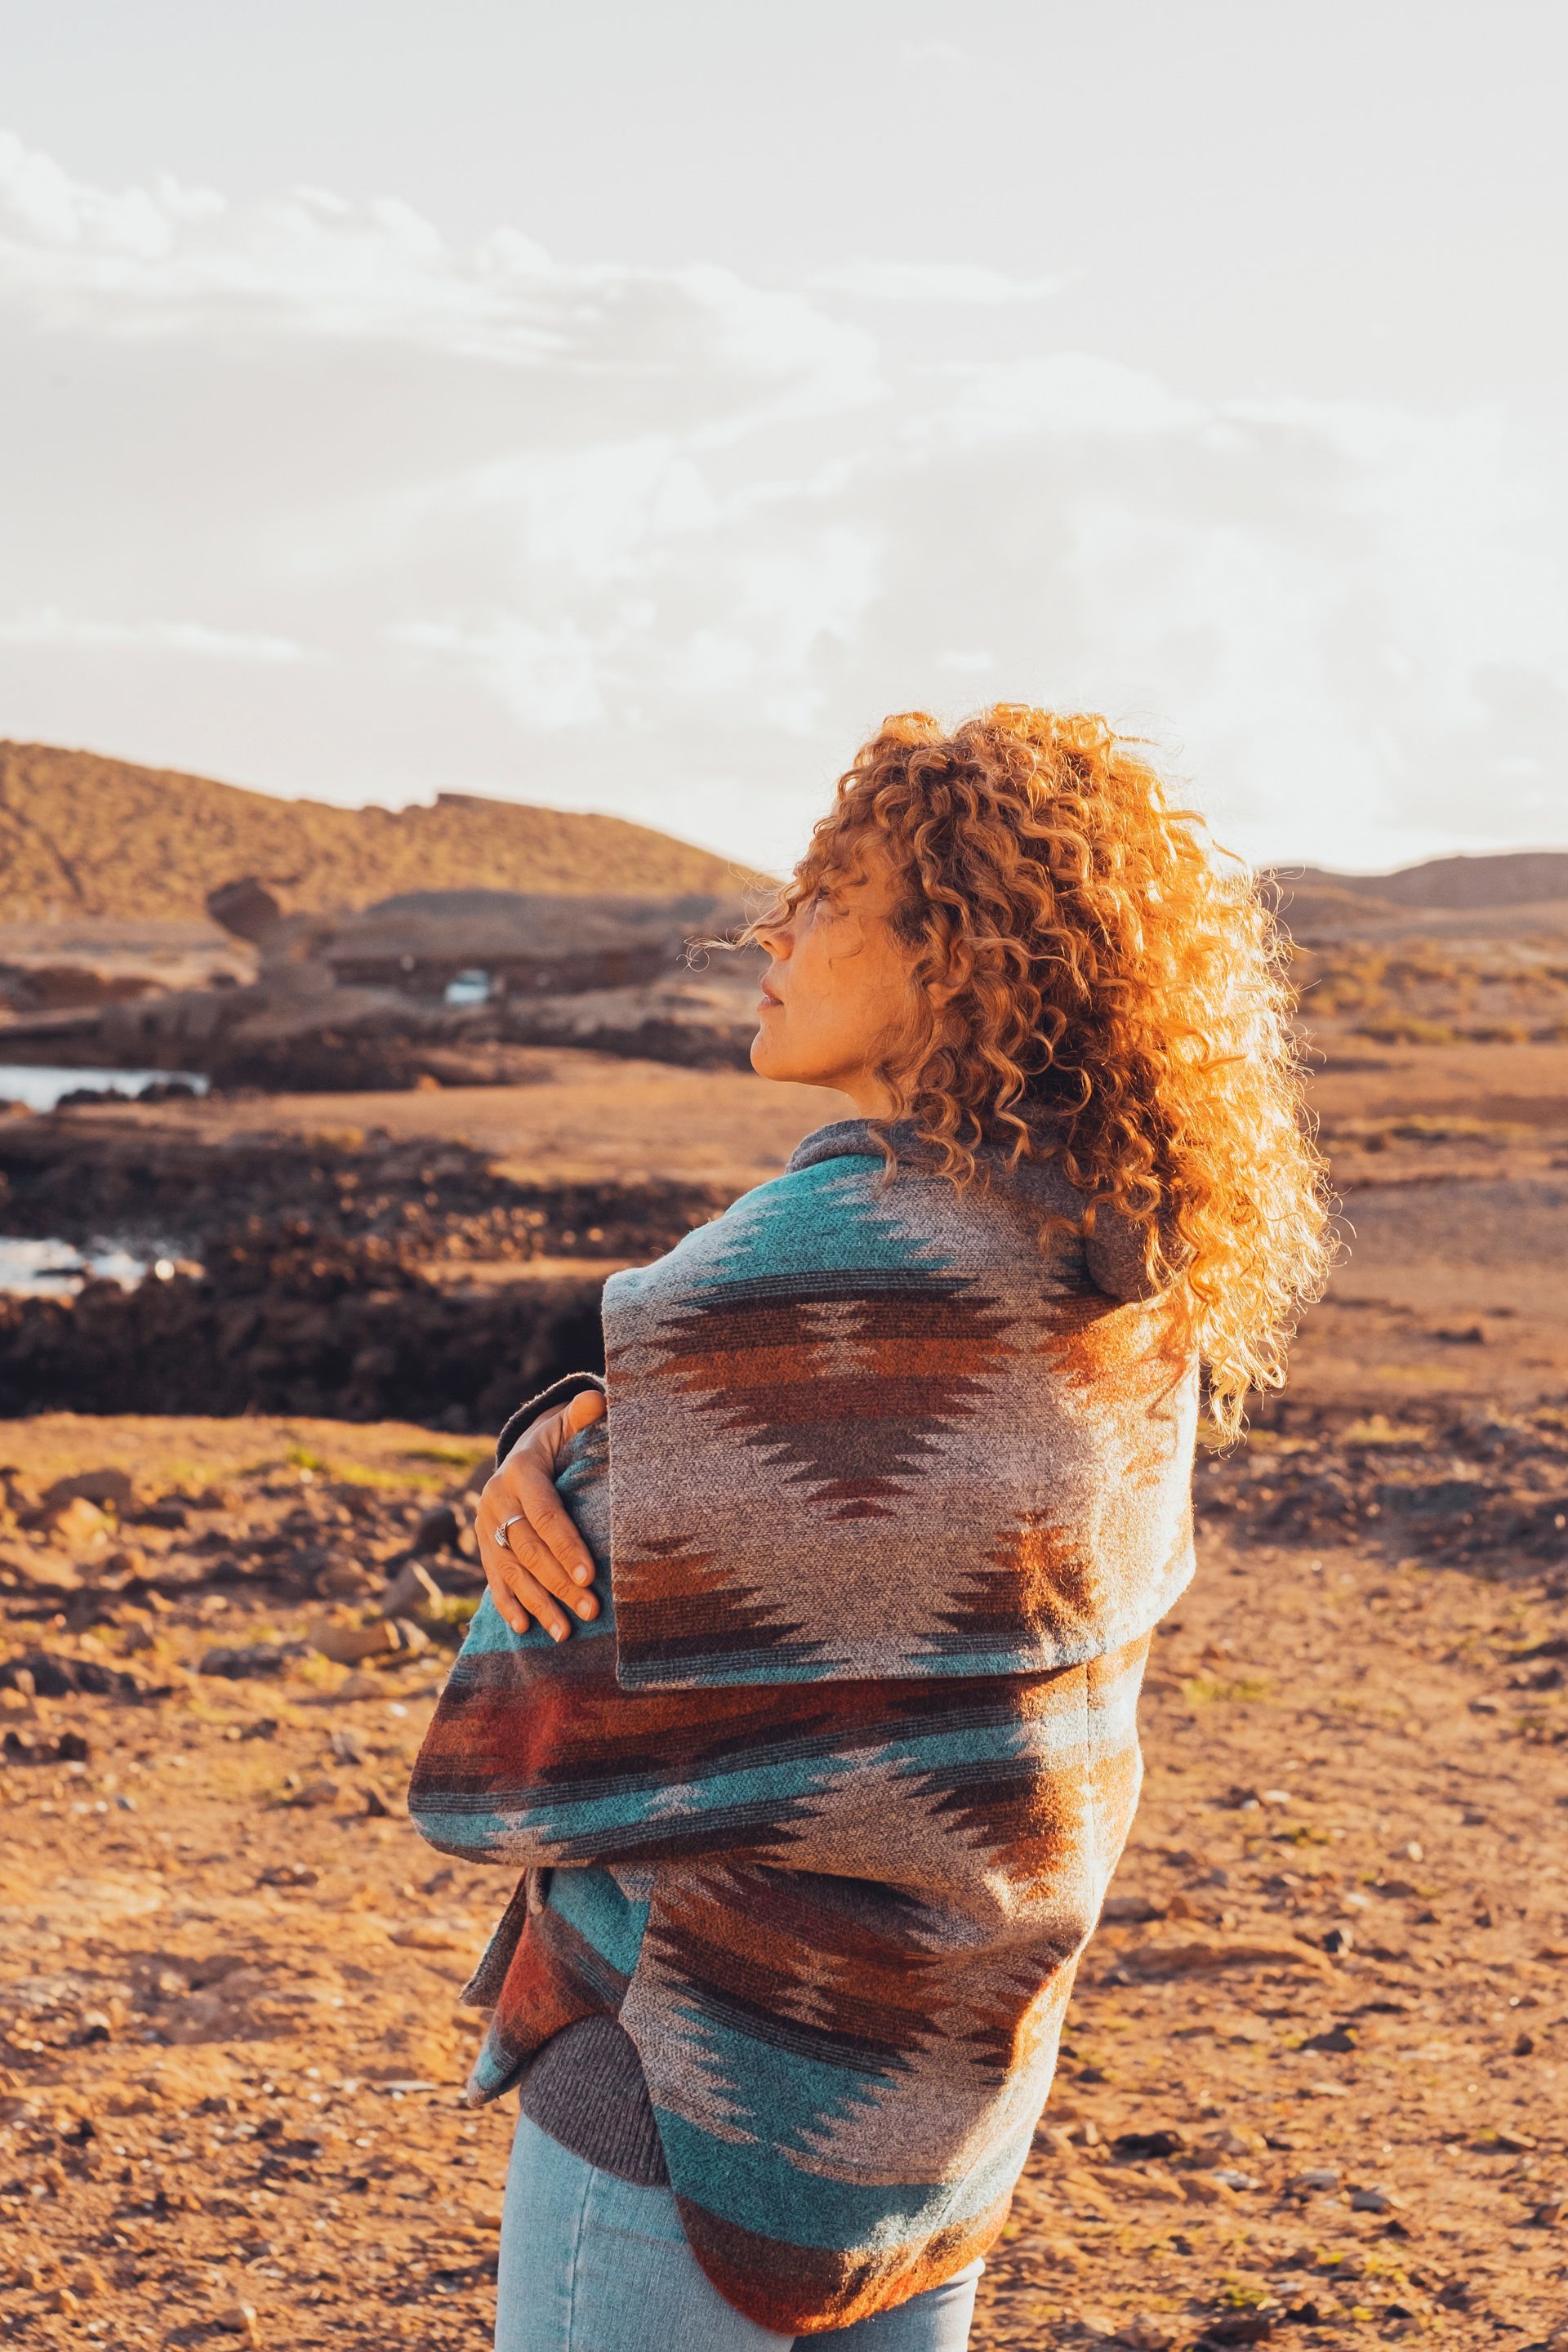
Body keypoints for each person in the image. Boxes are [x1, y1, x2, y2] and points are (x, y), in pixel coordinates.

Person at [409, 706, 1330, 2351]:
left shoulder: (798, 1267)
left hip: (686, 2101)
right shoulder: (1131, 1285)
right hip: (944, 2104)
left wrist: (548, 1492)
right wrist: (585, 1432)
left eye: (828, 899)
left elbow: (525, 1720)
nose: (770, 940)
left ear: (959, 960)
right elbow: (967, 1648)